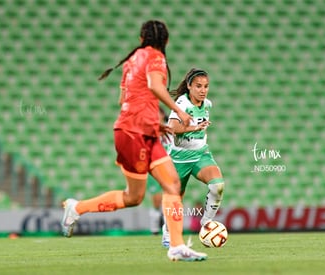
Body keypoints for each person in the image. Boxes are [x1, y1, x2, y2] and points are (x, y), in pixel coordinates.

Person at [60, 20, 207, 262]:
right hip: (135, 132)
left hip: (137, 131)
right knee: (168, 186)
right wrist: (178, 111)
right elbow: (154, 85)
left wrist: (153, 122)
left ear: (141, 38)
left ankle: (76, 208)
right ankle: (176, 245)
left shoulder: (131, 61)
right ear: (166, 41)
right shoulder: (156, 56)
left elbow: (124, 99)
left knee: (138, 196)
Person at [161, 68, 225, 248]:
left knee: (217, 185)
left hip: (200, 154)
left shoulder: (208, 105)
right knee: (175, 198)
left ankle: (206, 224)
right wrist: (194, 128)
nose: (203, 90)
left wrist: (198, 130)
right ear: (189, 86)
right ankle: (167, 231)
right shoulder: (182, 103)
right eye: (198, 86)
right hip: (179, 158)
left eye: (206, 86)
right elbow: (172, 128)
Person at [147, 107, 170, 235]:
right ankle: (154, 228)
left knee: (170, 197)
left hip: (168, 167)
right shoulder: (149, 130)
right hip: (153, 167)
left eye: (158, 113)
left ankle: (169, 227)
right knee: (156, 200)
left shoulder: (170, 127)